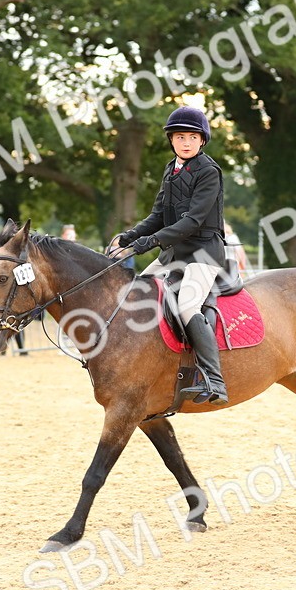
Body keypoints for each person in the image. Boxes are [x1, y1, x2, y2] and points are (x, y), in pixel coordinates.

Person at [108, 106, 229, 404]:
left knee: (187, 305)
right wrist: (131, 235)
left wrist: (147, 243)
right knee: (136, 294)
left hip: (204, 251)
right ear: (171, 140)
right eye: (179, 137)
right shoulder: (170, 169)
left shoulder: (209, 172)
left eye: (192, 137)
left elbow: (192, 221)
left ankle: (214, 380)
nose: (186, 142)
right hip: (175, 252)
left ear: (202, 140)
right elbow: (159, 214)